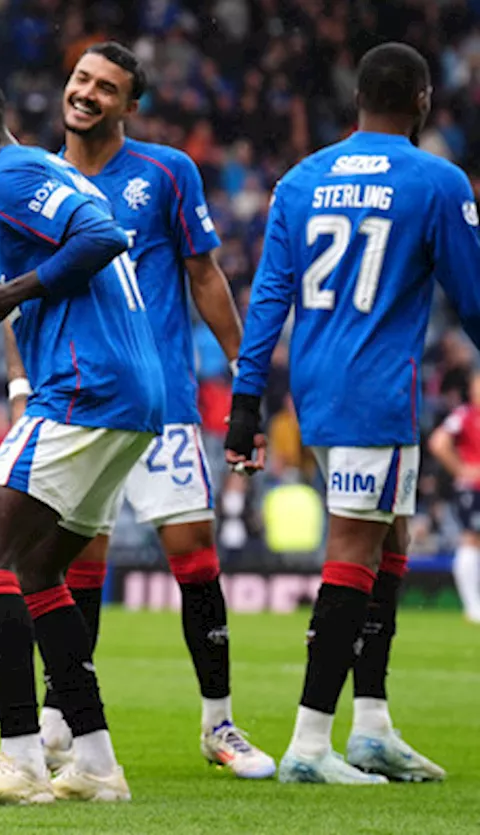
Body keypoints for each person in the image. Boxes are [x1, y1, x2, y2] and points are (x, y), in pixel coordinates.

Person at [25, 42, 273, 778]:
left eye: (106, 87)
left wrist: (246, 381)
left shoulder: (167, 172)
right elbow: (25, 296)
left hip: (161, 398)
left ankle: (219, 724)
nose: (87, 94)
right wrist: (22, 393)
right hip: (76, 400)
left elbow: (205, 277)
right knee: (76, 567)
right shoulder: (37, 180)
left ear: (130, 105)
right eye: (80, 80)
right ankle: (59, 721)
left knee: (194, 557)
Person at [0, 67, 163, 805]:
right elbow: (78, 256)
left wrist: (6, 291)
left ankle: (20, 759)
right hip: (132, 391)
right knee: (41, 572)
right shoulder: (43, 172)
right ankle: (94, 762)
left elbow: (104, 236)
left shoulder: (11, 171)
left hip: (86, 388)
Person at [227, 42, 457, 784]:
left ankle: (373, 726)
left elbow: (267, 299)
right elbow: (477, 298)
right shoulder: (435, 181)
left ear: (357, 97)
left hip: (319, 387)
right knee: (356, 551)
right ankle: (309, 742)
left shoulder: (301, 179)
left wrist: (244, 401)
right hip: (376, 389)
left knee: (390, 539)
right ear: (421, 100)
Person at [427, 370, 480, 623]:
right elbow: (438, 442)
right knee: (471, 540)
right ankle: (472, 606)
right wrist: (461, 470)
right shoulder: (466, 416)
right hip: (474, 489)